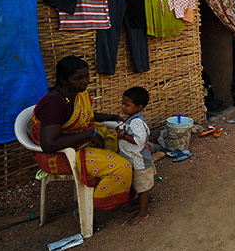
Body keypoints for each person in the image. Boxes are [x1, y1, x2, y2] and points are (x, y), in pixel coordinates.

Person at [31, 56, 132, 210]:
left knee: (128, 144)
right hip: (60, 155)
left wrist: (111, 117)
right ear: (63, 80)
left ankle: (133, 191)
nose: (85, 81)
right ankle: (89, 207)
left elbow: (86, 114)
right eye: (78, 78)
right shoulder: (53, 105)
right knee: (120, 166)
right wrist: (88, 134)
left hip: (80, 143)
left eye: (86, 76)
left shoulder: (76, 94)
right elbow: (49, 145)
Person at [117, 86, 154, 225]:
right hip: (133, 159)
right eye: (123, 103)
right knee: (138, 185)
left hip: (139, 162)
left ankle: (144, 212)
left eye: (127, 105)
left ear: (138, 107)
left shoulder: (137, 122)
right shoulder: (131, 118)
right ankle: (141, 205)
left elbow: (139, 141)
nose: (123, 107)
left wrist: (123, 135)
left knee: (143, 187)